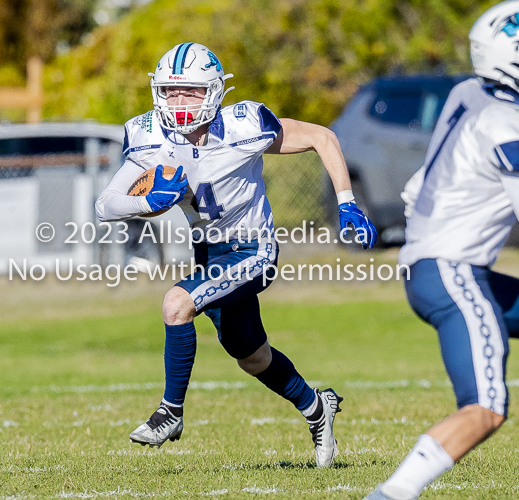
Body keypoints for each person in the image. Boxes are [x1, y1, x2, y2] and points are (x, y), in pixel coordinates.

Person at [95, 42, 377, 468]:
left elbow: (322, 136)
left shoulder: (244, 124)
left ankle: (170, 412)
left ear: (212, 91)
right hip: (209, 253)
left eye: (189, 91)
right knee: (251, 355)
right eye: (171, 91)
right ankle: (318, 408)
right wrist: (146, 201)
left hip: (253, 248)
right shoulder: (148, 133)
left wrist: (346, 202)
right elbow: (107, 204)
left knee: (177, 304)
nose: (178, 101)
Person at [364, 1, 519, 498]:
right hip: (452, 272)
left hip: (434, 263)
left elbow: (416, 187)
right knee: (486, 408)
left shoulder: (468, 91)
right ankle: (393, 493)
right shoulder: (513, 129)